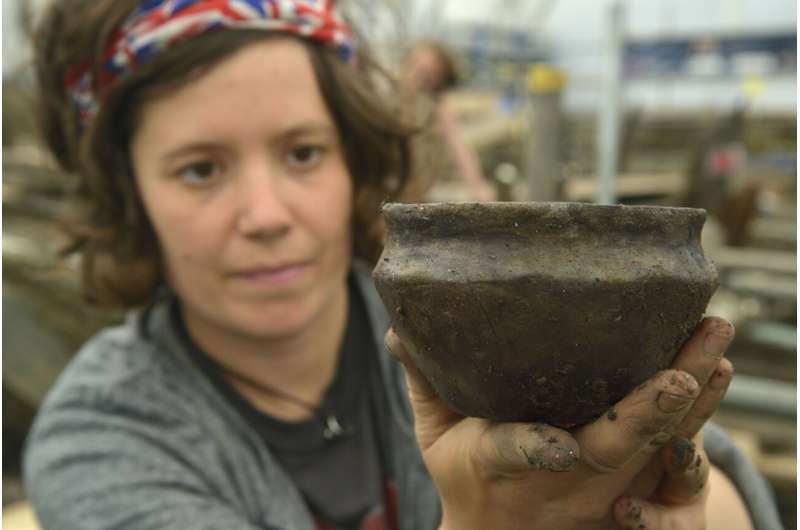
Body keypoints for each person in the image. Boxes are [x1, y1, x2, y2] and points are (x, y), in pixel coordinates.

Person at [23, 1, 782, 529]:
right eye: (199, 169)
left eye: (303, 152)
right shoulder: (103, 440)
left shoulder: (467, 328)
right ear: (129, 195)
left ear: (355, 160)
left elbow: (718, 492)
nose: (265, 214)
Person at [400, 41, 497, 203]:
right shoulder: (387, 96)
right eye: (415, 67)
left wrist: (477, 187)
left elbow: (459, 148)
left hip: (413, 194)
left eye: (427, 76)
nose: (415, 78)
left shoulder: (436, 108)